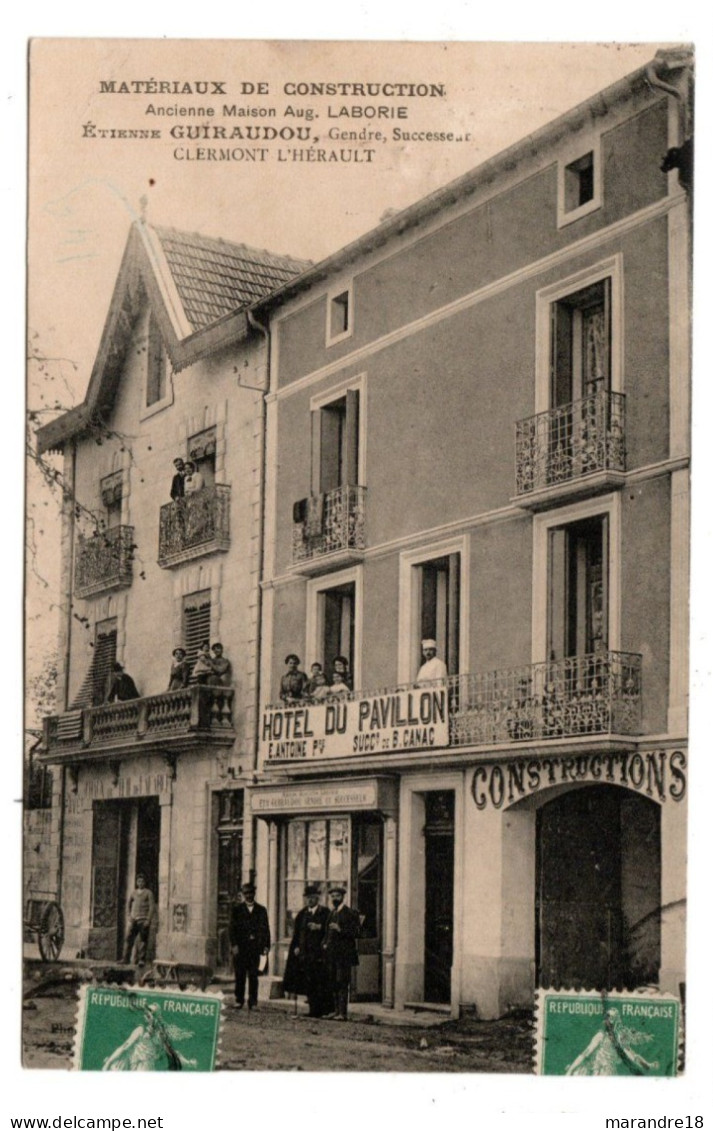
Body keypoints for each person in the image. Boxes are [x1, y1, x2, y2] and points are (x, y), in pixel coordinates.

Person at [283, 884, 331, 1018]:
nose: (310, 900)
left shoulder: (325, 913)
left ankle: (322, 1010)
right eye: (308, 898)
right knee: (308, 981)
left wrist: (319, 927)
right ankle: (313, 1009)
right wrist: (296, 947)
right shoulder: (302, 914)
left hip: (320, 955)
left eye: (313, 898)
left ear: (318, 898)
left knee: (320, 982)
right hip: (305, 954)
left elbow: (330, 932)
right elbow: (297, 934)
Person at [229, 882, 271, 1010]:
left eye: (250, 893)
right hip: (241, 948)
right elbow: (232, 929)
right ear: (243, 894)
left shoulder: (261, 910)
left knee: (254, 975)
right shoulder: (237, 910)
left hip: (255, 948)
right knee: (240, 975)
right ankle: (239, 1000)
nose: (248, 896)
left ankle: (253, 1002)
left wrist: (266, 946)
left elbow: (266, 930)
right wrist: (234, 945)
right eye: (246, 893)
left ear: (254, 893)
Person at [322, 884, 360, 1021]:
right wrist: (324, 944)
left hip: (344, 955)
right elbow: (326, 933)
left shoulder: (350, 913)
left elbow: (357, 932)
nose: (335, 898)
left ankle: (343, 1013)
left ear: (343, 897)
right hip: (332, 954)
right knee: (333, 982)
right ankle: (336, 1011)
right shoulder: (332, 913)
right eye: (332, 896)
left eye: (337, 896)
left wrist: (340, 929)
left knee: (342, 982)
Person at [122, 874, 155, 965]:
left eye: (142, 881)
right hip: (134, 920)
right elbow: (128, 904)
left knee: (142, 940)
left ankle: (141, 960)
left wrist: (148, 920)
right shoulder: (133, 893)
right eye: (139, 881)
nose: (140, 883)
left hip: (143, 920)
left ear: (145, 882)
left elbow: (152, 907)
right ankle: (125, 959)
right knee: (128, 938)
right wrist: (129, 915)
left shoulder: (148, 893)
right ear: (136, 882)